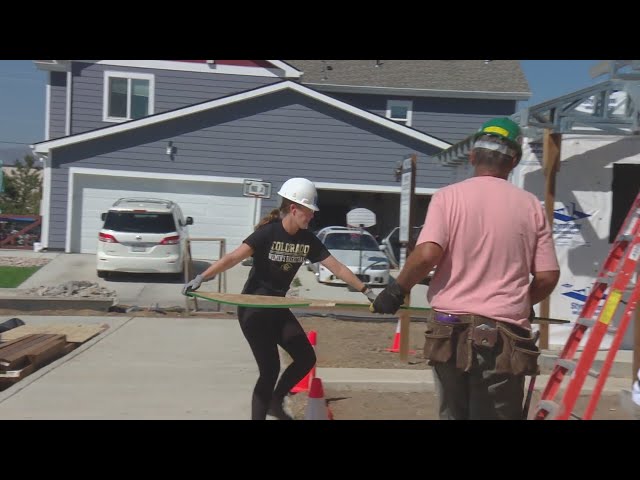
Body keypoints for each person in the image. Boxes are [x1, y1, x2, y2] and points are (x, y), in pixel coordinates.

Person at [371, 117, 560, 420]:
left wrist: (395, 290)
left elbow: (427, 254)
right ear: (513, 162)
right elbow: (548, 276)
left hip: (449, 329)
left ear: (472, 157)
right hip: (503, 333)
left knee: (453, 413)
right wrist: (521, 303)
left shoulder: (448, 198)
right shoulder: (530, 206)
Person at [182, 177, 377, 420]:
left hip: (277, 308)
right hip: (253, 308)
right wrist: (202, 277)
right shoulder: (268, 233)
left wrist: (367, 291)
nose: (312, 217)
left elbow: (337, 267)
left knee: (306, 358)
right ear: (294, 209)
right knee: (270, 369)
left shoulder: (307, 240)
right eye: (309, 211)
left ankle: (276, 401)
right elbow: (233, 257)